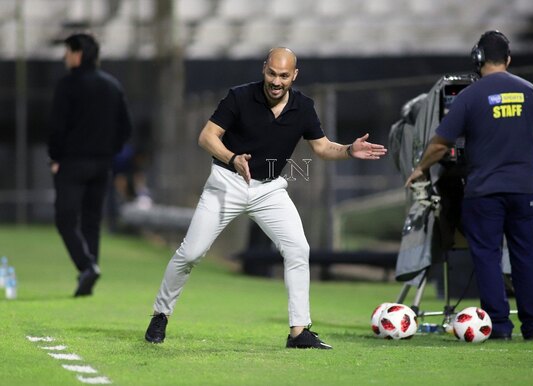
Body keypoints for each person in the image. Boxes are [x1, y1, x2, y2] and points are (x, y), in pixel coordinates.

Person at [144, 47, 387, 349]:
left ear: (294, 76)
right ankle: (161, 314)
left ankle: (299, 332)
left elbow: (322, 148)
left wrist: (350, 149)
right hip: (226, 183)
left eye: (284, 75)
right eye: (272, 73)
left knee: (298, 249)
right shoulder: (239, 96)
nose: (276, 81)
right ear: (264, 69)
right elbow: (207, 136)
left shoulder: (303, 107)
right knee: (191, 254)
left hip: (269, 189)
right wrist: (232, 158)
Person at [404, 31, 533, 340]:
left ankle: (499, 326)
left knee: (487, 256)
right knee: (526, 255)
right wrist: (532, 174)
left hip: (484, 192)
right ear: (508, 59)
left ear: (477, 58)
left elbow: (439, 145)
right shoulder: (531, 92)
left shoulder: (470, 96)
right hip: (523, 190)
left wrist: (419, 168)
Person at [48, 32, 133, 297]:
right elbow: (126, 128)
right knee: (92, 220)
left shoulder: (67, 85)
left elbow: (57, 127)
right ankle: (90, 271)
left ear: (78, 54)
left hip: (73, 163)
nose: (65, 57)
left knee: (65, 218)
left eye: (68, 51)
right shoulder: (112, 85)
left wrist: (56, 157)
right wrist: (110, 152)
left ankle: (86, 266)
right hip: (102, 164)